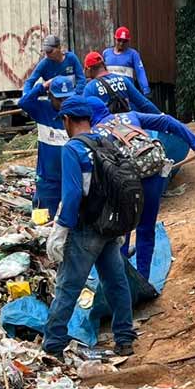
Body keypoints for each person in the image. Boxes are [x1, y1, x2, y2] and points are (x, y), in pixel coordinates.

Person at [42, 96, 136, 359]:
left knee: (68, 286)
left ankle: (53, 345)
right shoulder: (107, 143)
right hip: (110, 226)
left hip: (86, 229)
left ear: (67, 120)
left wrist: (60, 230)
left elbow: (72, 194)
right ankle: (124, 339)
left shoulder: (72, 149)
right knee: (116, 282)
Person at [96, 109, 195, 280]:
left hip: (124, 183)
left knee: (121, 232)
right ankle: (143, 279)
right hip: (151, 175)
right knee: (146, 229)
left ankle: (123, 278)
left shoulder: (94, 132)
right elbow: (167, 120)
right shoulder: (131, 116)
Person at [18, 75, 110, 218]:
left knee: (74, 217)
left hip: (74, 178)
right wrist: (42, 87)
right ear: (50, 96)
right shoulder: (42, 110)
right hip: (48, 182)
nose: (63, 103)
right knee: (43, 220)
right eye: (59, 99)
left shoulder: (77, 113)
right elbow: (24, 102)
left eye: (67, 98)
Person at [82, 51, 159, 114]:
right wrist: (161, 117)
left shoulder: (90, 88)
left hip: (106, 126)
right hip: (128, 123)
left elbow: (84, 114)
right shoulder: (123, 80)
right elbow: (144, 104)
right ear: (104, 65)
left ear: (89, 69)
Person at [102, 26, 150, 96]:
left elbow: (140, 72)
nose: (121, 43)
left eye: (124, 41)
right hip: (109, 93)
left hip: (127, 92)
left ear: (128, 41)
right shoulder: (106, 53)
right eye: (119, 40)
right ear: (115, 39)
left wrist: (145, 89)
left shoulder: (133, 54)